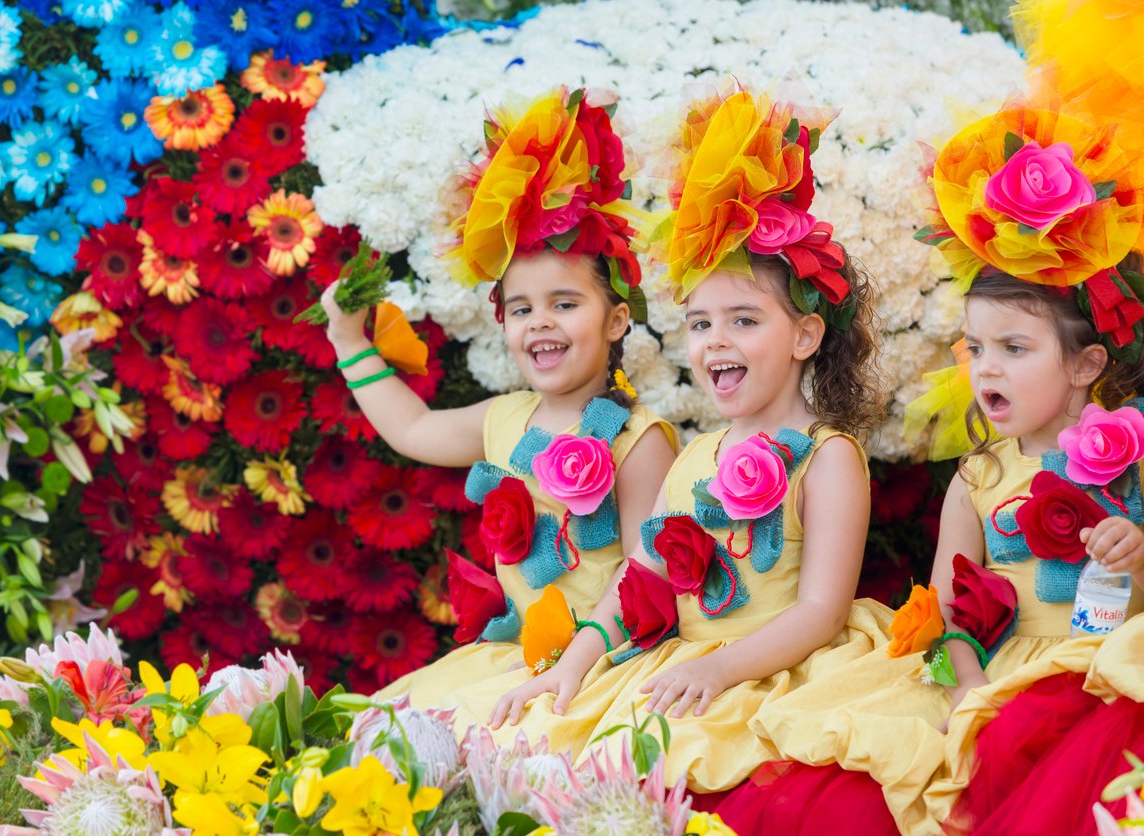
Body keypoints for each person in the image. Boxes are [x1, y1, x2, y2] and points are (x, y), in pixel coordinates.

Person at [717, 27, 1144, 832]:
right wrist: (964, 692)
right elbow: (951, 619)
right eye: (975, 348)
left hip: (1110, 671)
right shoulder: (978, 481)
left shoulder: (1135, 462)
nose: (986, 371)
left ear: (1087, 364)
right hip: (1000, 681)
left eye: (1015, 350)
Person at [462, 79, 893, 800]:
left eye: (744, 321)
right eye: (699, 323)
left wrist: (716, 670)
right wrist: (573, 663)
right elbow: (642, 576)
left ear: (806, 335)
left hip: (773, 670)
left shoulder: (829, 457)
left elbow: (820, 610)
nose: (715, 340)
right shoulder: (695, 455)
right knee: (548, 750)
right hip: (687, 663)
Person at [321, 87, 679, 711]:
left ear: (618, 320)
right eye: (521, 309)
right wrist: (348, 340)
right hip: (515, 656)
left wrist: (575, 666)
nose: (540, 322)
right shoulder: (504, 418)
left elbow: (642, 572)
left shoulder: (636, 439)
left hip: (601, 662)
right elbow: (414, 430)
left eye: (564, 305)